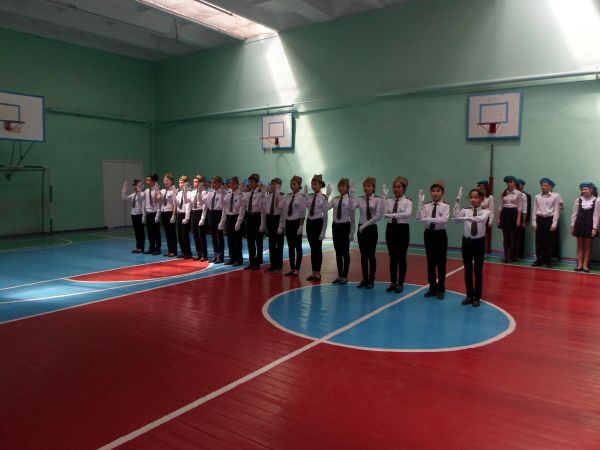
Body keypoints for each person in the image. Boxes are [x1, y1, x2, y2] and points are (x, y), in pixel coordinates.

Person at [453, 188, 490, 308]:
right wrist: (457, 201)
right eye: (471, 197)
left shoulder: (486, 211)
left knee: (478, 270)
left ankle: (477, 297)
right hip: (467, 242)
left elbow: (480, 219)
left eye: (476, 197)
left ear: (481, 199)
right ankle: (469, 295)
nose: (473, 200)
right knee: (467, 270)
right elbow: (456, 218)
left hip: (479, 243)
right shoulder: (465, 210)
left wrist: (467, 218)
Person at [416, 180, 449, 299]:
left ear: (442, 193)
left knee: (441, 263)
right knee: (431, 262)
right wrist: (420, 202)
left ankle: (441, 288)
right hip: (429, 234)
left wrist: (428, 218)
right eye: (433, 191)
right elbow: (419, 217)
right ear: (430, 193)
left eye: (438, 191)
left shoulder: (446, 206)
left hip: (440, 235)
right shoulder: (425, 205)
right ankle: (432, 287)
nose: (435, 193)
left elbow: (443, 220)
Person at [382, 176, 412, 293]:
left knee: (401, 257)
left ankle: (400, 283)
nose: (396, 189)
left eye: (399, 187)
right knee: (392, 258)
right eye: (394, 187)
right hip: (391, 229)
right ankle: (393, 282)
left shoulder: (408, 201)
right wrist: (384, 198)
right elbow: (383, 212)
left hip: (402, 229)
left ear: (404, 188)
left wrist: (391, 215)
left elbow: (407, 214)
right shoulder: (389, 200)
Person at [356, 176, 383, 289]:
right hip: (361, 229)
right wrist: (351, 194)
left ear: (373, 187)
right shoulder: (360, 199)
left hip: (371, 229)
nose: (366, 188)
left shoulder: (378, 199)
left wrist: (365, 225)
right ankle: (365, 278)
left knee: (371, 255)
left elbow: (378, 216)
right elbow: (350, 207)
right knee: (363, 255)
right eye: (364, 186)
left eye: (368, 186)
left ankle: (371, 279)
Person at [328, 178, 357, 285]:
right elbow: (325, 208)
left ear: (347, 188)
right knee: (338, 252)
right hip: (335, 227)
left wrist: (352, 232)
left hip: (345, 227)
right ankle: (340, 275)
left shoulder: (350, 200)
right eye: (339, 186)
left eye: (343, 186)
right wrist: (327, 195)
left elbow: (352, 218)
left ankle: (345, 276)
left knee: (345, 252)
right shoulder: (335, 199)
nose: (341, 188)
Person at [278, 175, 307, 276]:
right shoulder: (287, 196)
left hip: (296, 223)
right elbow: (279, 206)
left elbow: (303, 212)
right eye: (291, 184)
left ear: (299, 185)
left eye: (294, 184)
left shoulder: (301, 197)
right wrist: (278, 194)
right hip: (288, 223)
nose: (292, 186)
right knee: (290, 247)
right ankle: (292, 267)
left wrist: (301, 226)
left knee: (298, 246)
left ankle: (297, 269)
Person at [305, 174, 331, 282]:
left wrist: (323, 231)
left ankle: (318, 273)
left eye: (315, 184)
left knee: (317, 249)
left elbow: (325, 215)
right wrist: (304, 196)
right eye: (312, 184)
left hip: (318, 223)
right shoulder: (309, 196)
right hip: (309, 223)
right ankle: (313, 272)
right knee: (312, 248)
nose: (313, 186)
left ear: (320, 185)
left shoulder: (323, 198)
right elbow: (304, 207)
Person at [531, 178, 560, 268]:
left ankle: (548, 261)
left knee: (549, 241)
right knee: (539, 241)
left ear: (550, 186)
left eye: (545, 185)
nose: (543, 187)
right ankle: (539, 259)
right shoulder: (537, 197)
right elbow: (534, 209)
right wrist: (534, 222)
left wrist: (554, 223)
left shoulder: (555, 196)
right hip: (540, 219)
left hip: (549, 220)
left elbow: (556, 210)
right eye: (542, 185)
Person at [571, 182, 599, 272]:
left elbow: (596, 215)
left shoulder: (596, 200)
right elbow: (574, 214)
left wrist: (594, 228)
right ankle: (579, 265)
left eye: (585, 189)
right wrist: (572, 225)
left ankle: (585, 265)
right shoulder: (578, 200)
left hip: (589, 225)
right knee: (580, 245)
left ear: (591, 190)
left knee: (588, 246)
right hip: (579, 224)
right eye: (582, 189)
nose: (583, 191)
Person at [219, 176, 245, 266]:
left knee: (237, 240)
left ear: (237, 184)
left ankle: (239, 259)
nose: (231, 185)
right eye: (230, 183)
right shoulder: (227, 194)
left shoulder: (240, 194)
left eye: (234, 183)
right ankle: (232, 258)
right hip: (229, 218)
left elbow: (242, 209)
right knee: (230, 239)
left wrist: (239, 221)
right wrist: (223, 220)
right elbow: (223, 207)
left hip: (236, 217)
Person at [497, 175, 522, 263]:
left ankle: (510, 256)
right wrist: (498, 218)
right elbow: (500, 206)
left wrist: (518, 219)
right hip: (505, 214)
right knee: (505, 237)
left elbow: (519, 207)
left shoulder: (518, 193)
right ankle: (506, 257)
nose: (509, 184)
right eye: (507, 182)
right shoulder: (503, 192)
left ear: (514, 183)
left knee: (512, 237)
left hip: (513, 214)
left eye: (510, 182)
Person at [201, 176, 225, 263]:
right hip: (211, 214)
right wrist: (201, 191)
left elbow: (224, 208)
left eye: (215, 182)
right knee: (213, 237)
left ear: (220, 183)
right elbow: (202, 201)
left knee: (219, 237)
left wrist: (222, 220)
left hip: (218, 214)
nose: (213, 184)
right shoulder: (210, 193)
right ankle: (215, 255)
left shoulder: (222, 193)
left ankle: (220, 256)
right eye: (212, 183)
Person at [264, 177, 285, 273]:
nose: (272, 186)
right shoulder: (268, 196)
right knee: (271, 244)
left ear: (279, 185)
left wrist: (281, 225)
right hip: (270, 219)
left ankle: (279, 265)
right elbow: (265, 209)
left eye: (274, 184)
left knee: (279, 244)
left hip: (278, 219)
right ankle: (272, 264)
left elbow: (282, 212)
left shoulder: (282, 196)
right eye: (271, 184)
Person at [244, 173, 265, 270]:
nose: (250, 183)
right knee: (250, 241)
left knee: (258, 241)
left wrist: (262, 223)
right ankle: (251, 261)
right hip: (249, 217)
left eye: (252, 182)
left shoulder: (261, 194)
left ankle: (258, 261)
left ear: (257, 183)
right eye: (249, 182)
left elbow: (262, 209)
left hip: (257, 217)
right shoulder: (247, 194)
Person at [122, 178, 145, 253]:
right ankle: (138, 247)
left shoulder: (142, 194)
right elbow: (124, 198)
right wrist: (124, 189)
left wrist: (139, 190)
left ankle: (141, 247)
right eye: (134, 185)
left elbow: (140, 198)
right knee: (136, 232)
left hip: (139, 214)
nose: (134, 186)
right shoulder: (133, 194)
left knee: (140, 232)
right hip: (133, 214)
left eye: (136, 185)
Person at [190, 175, 208, 261]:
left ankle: (204, 254)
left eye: (196, 182)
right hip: (194, 213)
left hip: (200, 213)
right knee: (195, 234)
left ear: (201, 183)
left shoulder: (204, 192)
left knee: (201, 235)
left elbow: (204, 206)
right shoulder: (193, 192)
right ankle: (199, 253)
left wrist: (203, 218)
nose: (194, 183)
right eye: (194, 182)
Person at [142, 173, 161, 255]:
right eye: (146, 180)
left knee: (156, 232)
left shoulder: (156, 190)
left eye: (149, 180)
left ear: (153, 181)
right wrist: (144, 215)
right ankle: (151, 247)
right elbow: (144, 203)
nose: (147, 181)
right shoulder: (146, 191)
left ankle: (158, 249)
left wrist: (157, 215)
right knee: (149, 232)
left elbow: (159, 204)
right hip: (148, 213)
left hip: (155, 213)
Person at [160, 173, 178, 257]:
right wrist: (156, 191)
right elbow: (157, 200)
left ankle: (174, 250)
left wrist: (173, 215)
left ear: (171, 181)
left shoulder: (174, 191)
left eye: (167, 180)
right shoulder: (163, 191)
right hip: (163, 212)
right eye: (164, 180)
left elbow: (175, 204)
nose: (165, 182)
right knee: (167, 233)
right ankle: (169, 249)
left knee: (172, 233)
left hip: (170, 213)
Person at [175, 175, 192, 259]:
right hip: (179, 213)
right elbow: (177, 204)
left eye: (182, 182)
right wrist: (174, 196)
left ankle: (188, 252)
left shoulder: (189, 193)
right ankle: (183, 252)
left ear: (186, 183)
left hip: (185, 214)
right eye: (179, 183)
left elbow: (188, 205)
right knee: (179, 235)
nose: (180, 184)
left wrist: (187, 217)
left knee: (184, 234)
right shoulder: (179, 193)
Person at [476, 180, 494, 253]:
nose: (481, 187)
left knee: (484, 236)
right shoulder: (477, 196)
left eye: (482, 186)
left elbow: (491, 210)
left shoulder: (490, 197)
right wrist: (476, 190)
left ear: (486, 187)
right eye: (480, 186)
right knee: (477, 234)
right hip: (477, 216)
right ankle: (476, 250)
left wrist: (490, 221)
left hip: (486, 217)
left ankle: (482, 251)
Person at [516, 178, 531, 259]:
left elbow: (528, 209)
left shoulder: (527, 196)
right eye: (518, 184)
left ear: (523, 186)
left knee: (522, 236)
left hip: (523, 217)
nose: (519, 186)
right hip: (514, 217)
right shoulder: (514, 194)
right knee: (513, 236)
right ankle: (513, 253)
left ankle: (521, 253)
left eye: (520, 185)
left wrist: (526, 220)